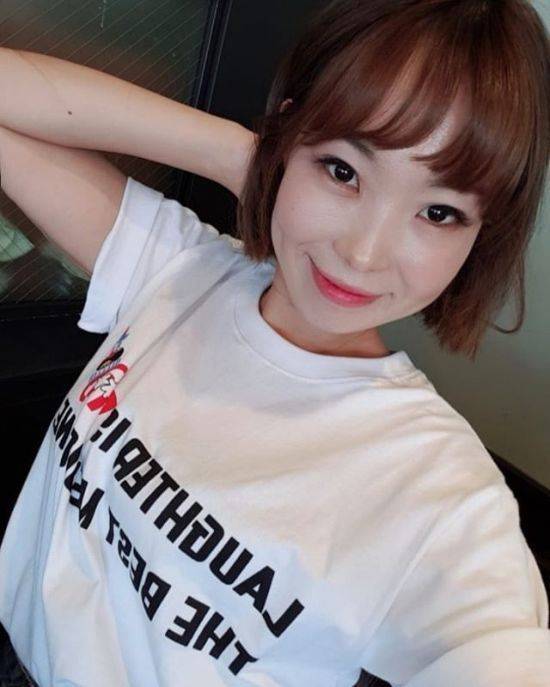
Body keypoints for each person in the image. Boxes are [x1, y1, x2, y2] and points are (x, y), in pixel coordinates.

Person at [0, 0, 549, 685]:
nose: (364, 253)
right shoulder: (179, 270)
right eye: (342, 171)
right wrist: (247, 155)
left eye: (439, 212)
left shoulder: (441, 498)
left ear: (481, 237)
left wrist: (307, 162)